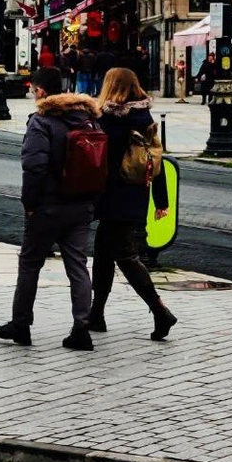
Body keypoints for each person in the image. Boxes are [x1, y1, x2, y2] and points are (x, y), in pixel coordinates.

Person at [0, 65, 101, 351]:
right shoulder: (88, 119)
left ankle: (21, 325)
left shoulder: (41, 122)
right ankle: (81, 329)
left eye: (31, 90)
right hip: (81, 205)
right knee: (78, 267)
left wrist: (30, 204)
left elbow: (34, 167)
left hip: (48, 207)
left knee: (29, 265)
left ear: (39, 91)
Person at [89, 68, 177, 340]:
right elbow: (156, 159)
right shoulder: (145, 116)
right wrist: (160, 200)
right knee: (103, 254)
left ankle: (161, 311)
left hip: (114, 194)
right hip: (136, 193)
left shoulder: (110, 119)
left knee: (125, 256)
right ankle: (96, 313)